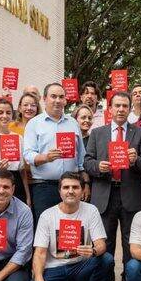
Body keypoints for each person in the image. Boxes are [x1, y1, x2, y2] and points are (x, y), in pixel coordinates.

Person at [84, 91, 141, 281]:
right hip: (105, 193)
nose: (121, 109)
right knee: (106, 245)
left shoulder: (139, 134)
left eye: (125, 106)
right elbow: (87, 162)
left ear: (130, 108)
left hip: (131, 195)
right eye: (117, 106)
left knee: (132, 245)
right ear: (109, 109)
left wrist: (136, 160)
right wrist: (98, 167)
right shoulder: (97, 133)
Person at [29, 172, 114, 281]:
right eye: (66, 187)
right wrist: (39, 280)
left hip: (81, 268)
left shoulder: (91, 210)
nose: (70, 191)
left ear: (82, 191)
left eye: (75, 187)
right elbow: (40, 253)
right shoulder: (47, 216)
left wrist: (93, 250)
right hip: (55, 268)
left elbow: (101, 244)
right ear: (59, 191)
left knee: (107, 259)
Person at [23, 83, 87, 223]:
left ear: (65, 100)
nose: (57, 100)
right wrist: (45, 157)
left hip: (71, 187)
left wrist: (85, 183)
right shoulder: (34, 124)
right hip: (44, 187)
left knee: (70, 231)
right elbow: (28, 155)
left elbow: (81, 157)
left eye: (61, 97)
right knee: (45, 230)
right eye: (53, 96)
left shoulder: (73, 123)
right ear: (44, 99)